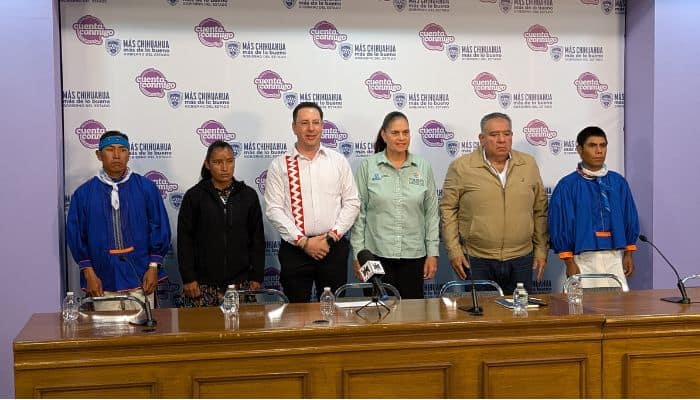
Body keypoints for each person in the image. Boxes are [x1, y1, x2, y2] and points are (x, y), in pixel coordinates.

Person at [440, 112, 548, 294]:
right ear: (482, 138)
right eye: (494, 135)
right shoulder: (462, 167)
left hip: (522, 258)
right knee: (483, 311)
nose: (501, 140)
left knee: (521, 311)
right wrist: (454, 251)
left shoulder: (528, 164)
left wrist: (541, 250)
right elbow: (447, 210)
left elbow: (540, 210)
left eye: (507, 134)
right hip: (477, 259)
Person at [265, 102, 360, 303]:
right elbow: (274, 209)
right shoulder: (280, 165)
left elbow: (352, 203)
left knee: (334, 310)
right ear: (294, 127)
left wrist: (331, 238)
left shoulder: (338, 161)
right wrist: (303, 242)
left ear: (322, 126)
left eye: (316, 122)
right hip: (296, 250)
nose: (311, 128)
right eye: (304, 123)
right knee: (296, 312)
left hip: (332, 248)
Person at [66, 130, 171, 312]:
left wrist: (153, 267)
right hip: (101, 280)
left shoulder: (146, 188)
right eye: (110, 149)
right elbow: (77, 236)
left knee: (142, 327)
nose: (116, 155)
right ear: (99, 155)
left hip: (141, 277)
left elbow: (159, 226)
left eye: (122, 150)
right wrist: (89, 273)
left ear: (129, 154)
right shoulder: (83, 194)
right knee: (107, 329)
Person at [350, 111, 439, 299]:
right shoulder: (368, 166)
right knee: (377, 312)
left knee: (412, 313)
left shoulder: (422, 166)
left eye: (405, 132)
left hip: (414, 257)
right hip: (374, 256)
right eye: (395, 133)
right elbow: (359, 214)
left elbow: (431, 214)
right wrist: (358, 254)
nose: (401, 138)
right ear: (384, 135)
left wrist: (432, 254)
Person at [176, 140, 265, 307]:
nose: (225, 168)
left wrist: (256, 276)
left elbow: (257, 239)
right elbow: (185, 240)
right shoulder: (194, 196)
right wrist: (189, 278)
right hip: (202, 285)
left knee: (241, 325)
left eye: (230, 161)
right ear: (207, 164)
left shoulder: (248, 196)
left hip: (241, 284)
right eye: (218, 162)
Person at [548, 126, 639, 287]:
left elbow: (629, 218)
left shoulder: (618, 182)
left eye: (603, 145)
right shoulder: (567, 186)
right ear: (579, 149)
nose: (599, 151)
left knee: (618, 302)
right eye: (592, 145)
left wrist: (629, 254)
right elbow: (561, 225)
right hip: (582, 259)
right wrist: (569, 262)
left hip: (615, 257)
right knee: (584, 302)